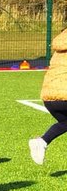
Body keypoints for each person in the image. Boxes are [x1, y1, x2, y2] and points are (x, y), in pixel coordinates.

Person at [29, 26, 67, 165]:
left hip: (49, 97)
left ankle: (42, 141)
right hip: (64, 95)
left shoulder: (61, 43)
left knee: (65, 123)